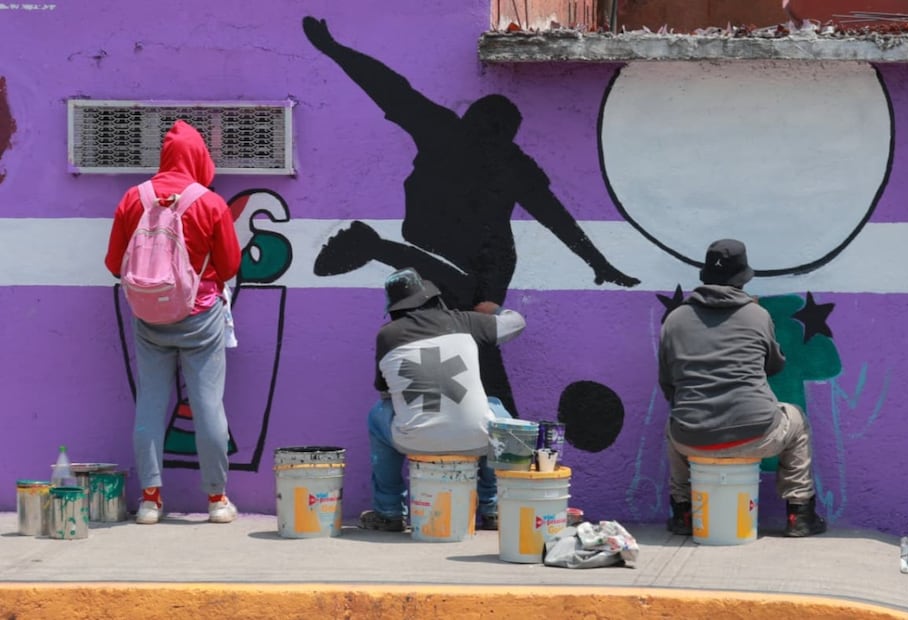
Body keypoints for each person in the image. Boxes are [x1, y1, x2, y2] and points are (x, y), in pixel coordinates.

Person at [302, 15, 639, 417]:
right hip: (437, 249)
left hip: (482, 265)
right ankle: (488, 431)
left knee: (477, 346)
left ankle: (490, 432)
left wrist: (600, 263)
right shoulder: (448, 132)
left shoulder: (500, 157)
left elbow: (556, 218)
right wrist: (335, 50)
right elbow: (389, 88)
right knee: (464, 344)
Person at [104, 120, 243, 525]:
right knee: (207, 406)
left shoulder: (134, 198)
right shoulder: (210, 203)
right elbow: (230, 265)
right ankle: (217, 500)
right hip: (200, 316)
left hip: (148, 318)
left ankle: (150, 500)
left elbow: (114, 264)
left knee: (149, 403)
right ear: (200, 157)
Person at [659, 239, 827, 538]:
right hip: (757, 433)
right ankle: (800, 514)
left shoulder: (674, 319)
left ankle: (684, 513)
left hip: (692, 438)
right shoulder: (757, 315)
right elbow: (774, 366)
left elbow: (668, 383)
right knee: (796, 419)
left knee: (675, 425)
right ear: (742, 278)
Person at [361, 267, 526, 532]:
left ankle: (389, 511)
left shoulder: (387, 335)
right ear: (432, 297)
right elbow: (516, 322)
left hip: (414, 442)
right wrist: (493, 310)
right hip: (477, 441)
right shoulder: (465, 322)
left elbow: (386, 390)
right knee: (494, 409)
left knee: (378, 414)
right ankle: (493, 507)